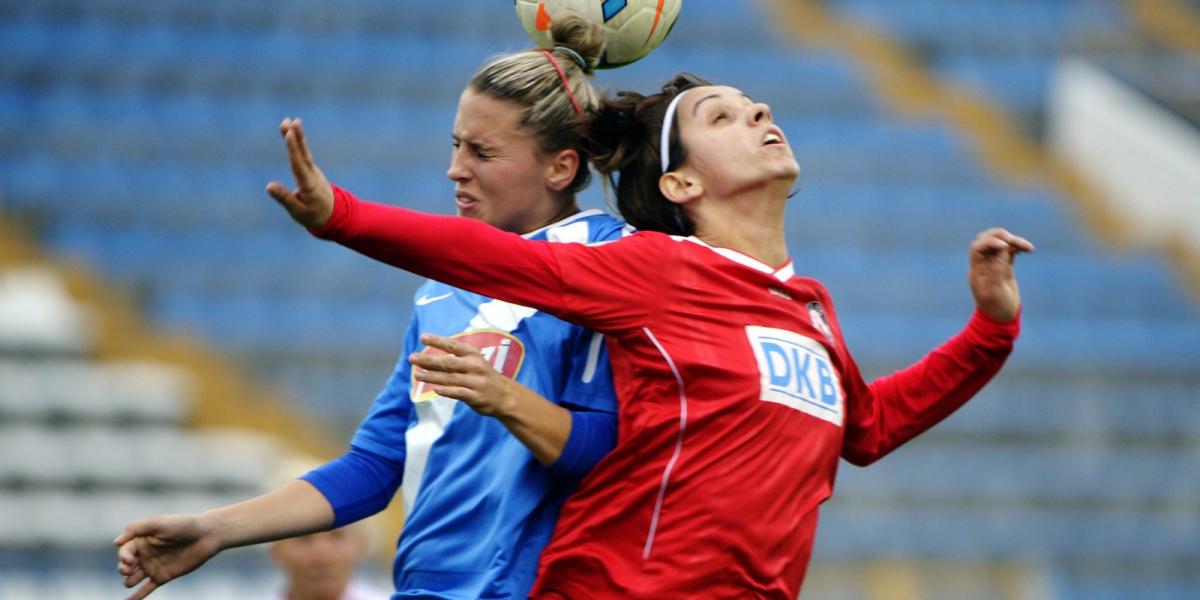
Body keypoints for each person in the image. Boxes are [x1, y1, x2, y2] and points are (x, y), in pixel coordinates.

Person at [266, 74, 1034, 598]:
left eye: (756, 106)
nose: (761, 115)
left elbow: (866, 427)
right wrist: (344, 216)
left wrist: (989, 331)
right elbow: (488, 256)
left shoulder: (807, 307)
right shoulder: (656, 269)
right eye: (722, 116)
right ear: (680, 184)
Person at [115, 16, 626, 600]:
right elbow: (377, 463)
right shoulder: (440, 292)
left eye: (482, 152)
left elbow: (610, 454)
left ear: (560, 167)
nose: (455, 169)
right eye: (456, 145)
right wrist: (214, 529)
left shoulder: (613, 264)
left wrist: (505, 399)